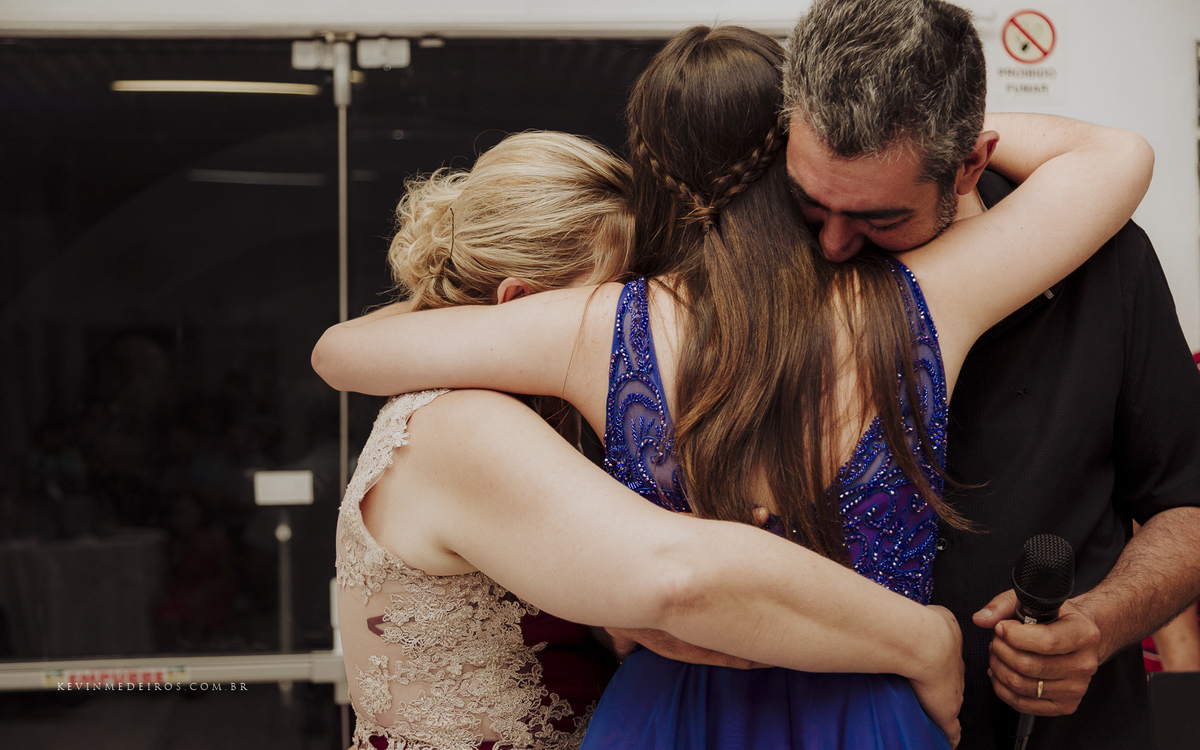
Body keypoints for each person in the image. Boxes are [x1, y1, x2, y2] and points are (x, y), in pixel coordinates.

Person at [315, 21, 1152, 749]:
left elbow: (341, 354)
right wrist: (906, 134)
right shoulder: (929, 299)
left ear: (654, 168)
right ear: (792, 145)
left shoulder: (595, 325)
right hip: (871, 709)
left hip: (671, 712)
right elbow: (1117, 154)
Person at [333, 130, 967, 750]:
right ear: (519, 303)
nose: (644, 325)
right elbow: (678, 575)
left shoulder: (528, 418)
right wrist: (925, 641)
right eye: (622, 297)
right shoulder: (461, 426)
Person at [782, 1, 1200, 747]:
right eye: (811, 205)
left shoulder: (1107, 260)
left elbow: (1187, 506)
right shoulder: (768, 259)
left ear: (972, 162)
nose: (836, 244)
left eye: (879, 219)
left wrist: (1100, 623)